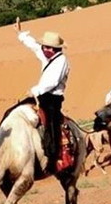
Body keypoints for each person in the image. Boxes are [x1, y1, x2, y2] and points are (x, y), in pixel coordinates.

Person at [14, 18, 70, 170]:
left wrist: (34, 90)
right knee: (15, 110)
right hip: (39, 95)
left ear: (55, 49)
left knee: (51, 124)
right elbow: (34, 47)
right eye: (44, 46)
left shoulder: (62, 61)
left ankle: (53, 158)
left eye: (48, 47)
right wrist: (21, 34)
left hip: (52, 99)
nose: (44, 49)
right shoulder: (48, 56)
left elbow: (52, 82)